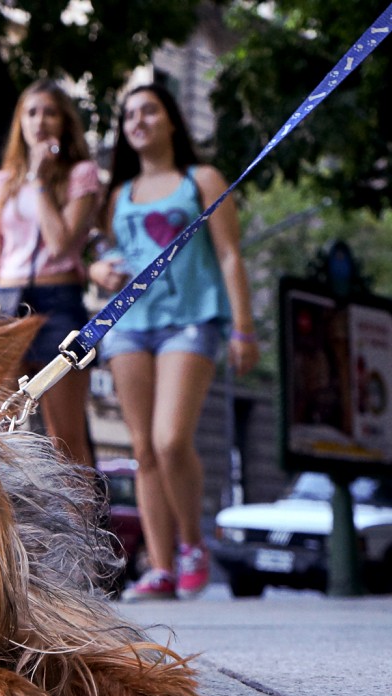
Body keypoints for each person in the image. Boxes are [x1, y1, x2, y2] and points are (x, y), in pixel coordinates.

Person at [89, 83, 260, 600]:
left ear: (170, 120)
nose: (138, 120)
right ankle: (160, 569)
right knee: (143, 449)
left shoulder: (201, 179)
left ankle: (192, 544)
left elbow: (229, 255)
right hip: (130, 325)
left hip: (192, 317)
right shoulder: (118, 194)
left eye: (149, 110)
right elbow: (105, 254)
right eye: (129, 115)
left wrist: (244, 327)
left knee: (170, 439)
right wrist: (99, 270)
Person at [0, 79, 101, 468]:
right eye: (31, 112)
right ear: (20, 123)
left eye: (50, 112)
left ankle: (83, 529)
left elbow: (61, 243)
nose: (40, 121)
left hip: (57, 302)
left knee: (66, 439)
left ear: (64, 122)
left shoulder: (81, 175)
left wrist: (40, 181)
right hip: (3, 304)